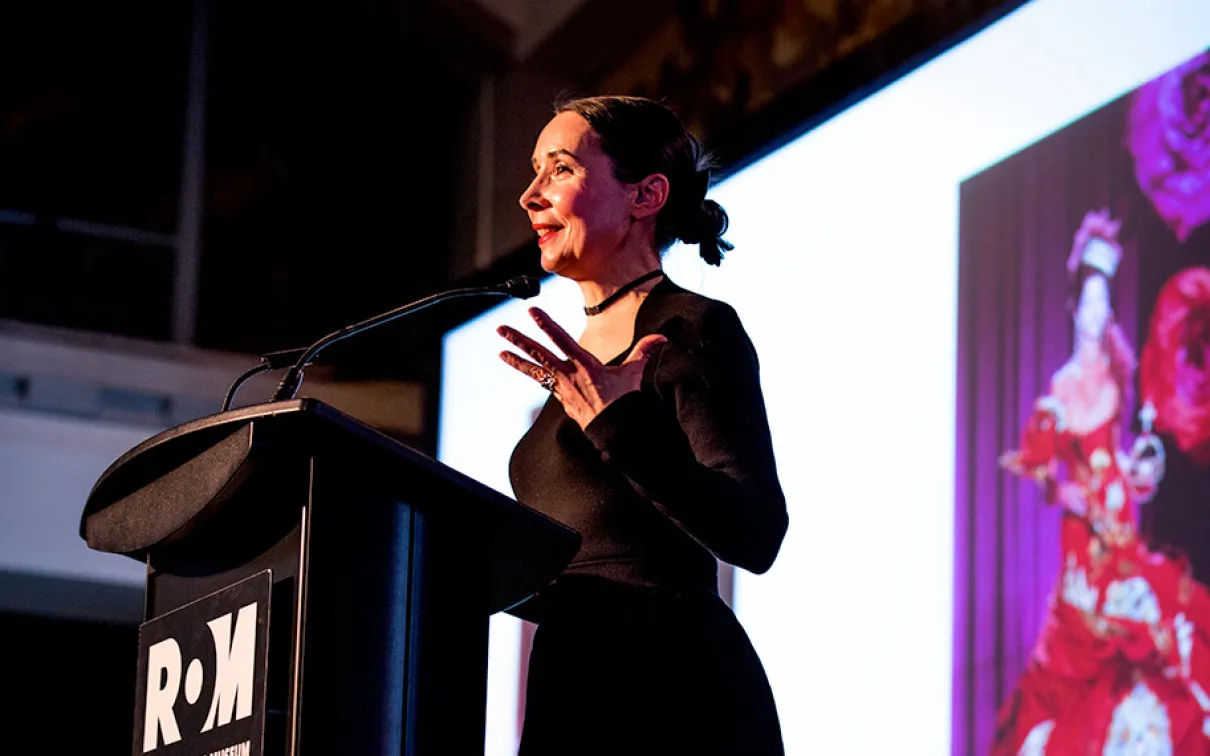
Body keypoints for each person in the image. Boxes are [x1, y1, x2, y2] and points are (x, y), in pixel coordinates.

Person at [494, 95, 788, 755]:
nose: (529, 196)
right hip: (573, 683)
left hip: (671, 687)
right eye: (534, 171)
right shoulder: (577, 367)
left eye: (560, 169)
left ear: (645, 194)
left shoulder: (690, 330)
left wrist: (618, 425)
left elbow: (757, 531)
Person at [993, 209, 1210, 755]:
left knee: (1161, 643)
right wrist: (1074, 496)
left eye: (1103, 299)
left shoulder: (1117, 369)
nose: (1097, 312)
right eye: (1088, 301)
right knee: (1088, 653)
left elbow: (1115, 454)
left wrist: (1137, 471)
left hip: (1123, 526)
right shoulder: (1059, 389)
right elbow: (1040, 473)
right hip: (1084, 542)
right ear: (1074, 307)